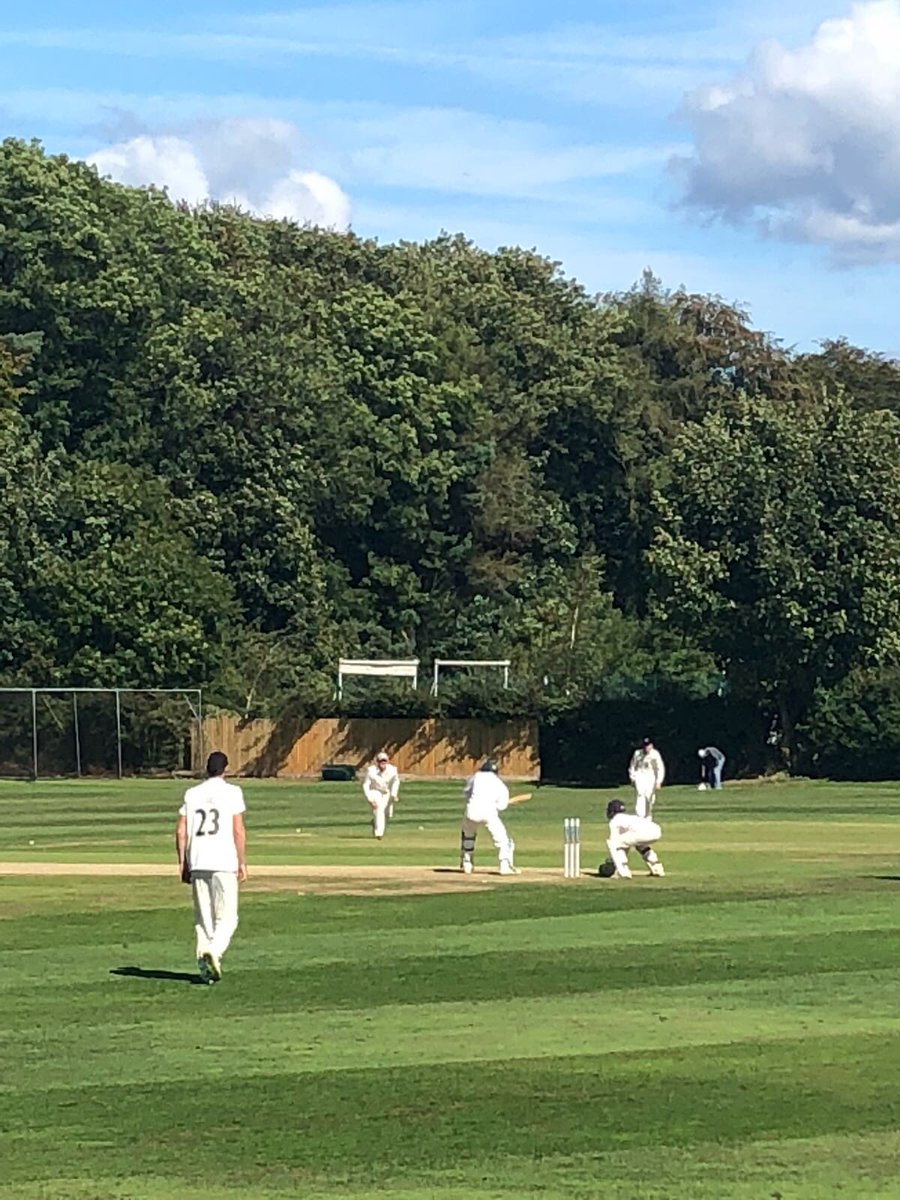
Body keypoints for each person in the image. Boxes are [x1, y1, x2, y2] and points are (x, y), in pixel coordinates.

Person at [175, 750, 247, 984]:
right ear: (226, 769)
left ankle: (204, 968)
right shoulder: (232, 792)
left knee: (203, 919)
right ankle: (213, 952)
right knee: (227, 919)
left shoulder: (192, 793)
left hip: (198, 860)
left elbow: (181, 830)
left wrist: (183, 862)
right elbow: (238, 829)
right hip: (223, 861)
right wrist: (242, 861)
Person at [460, 759, 520, 876]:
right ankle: (504, 865)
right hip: (488, 813)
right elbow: (501, 806)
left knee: (468, 835)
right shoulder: (499, 783)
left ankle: (467, 863)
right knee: (502, 840)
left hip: (471, 811)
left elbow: (466, 793)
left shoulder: (475, 777)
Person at [600, 798, 665, 879]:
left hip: (644, 833)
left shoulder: (615, 820)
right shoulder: (627, 817)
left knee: (613, 843)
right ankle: (656, 868)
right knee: (638, 844)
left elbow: (615, 841)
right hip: (656, 830)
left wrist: (612, 860)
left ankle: (623, 872)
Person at [363, 750, 400, 839]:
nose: (382, 763)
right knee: (379, 810)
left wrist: (394, 794)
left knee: (387, 814)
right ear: (377, 762)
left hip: (386, 793)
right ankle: (378, 834)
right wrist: (370, 799)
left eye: (384, 761)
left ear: (387, 761)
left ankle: (375, 822)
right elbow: (366, 785)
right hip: (375, 791)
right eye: (380, 761)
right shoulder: (371, 771)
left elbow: (396, 781)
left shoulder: (393, 770)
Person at [628, 736, 665, 818]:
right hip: (640, 776)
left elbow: (660, 768)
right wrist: (632, 777)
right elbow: (632, 766)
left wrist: (659, 781)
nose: (646, 748)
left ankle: (648, 815)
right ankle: (639, 816)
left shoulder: (655, 754)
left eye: (648, 746)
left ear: (651, 746)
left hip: (650, 777)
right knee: (640, 795)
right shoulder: (637, 753)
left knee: (649, 796)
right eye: (645, 746)